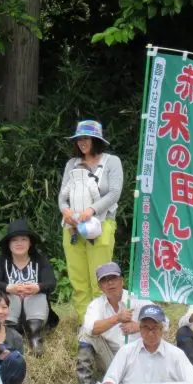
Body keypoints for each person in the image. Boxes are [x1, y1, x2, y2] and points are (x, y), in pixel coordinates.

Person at [58, 119, 122, 320]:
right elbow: (62, 196)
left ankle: (102, 321)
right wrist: (66, 211)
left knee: (101, 277)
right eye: (79, 139)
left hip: (101, 225)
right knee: (78, 278)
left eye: (86, 138)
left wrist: (91, 210)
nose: (82, 142)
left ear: (96, 140)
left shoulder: (112, 161)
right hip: (72, 227)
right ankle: (85, 324)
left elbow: (114, 193)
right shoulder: (71, 164)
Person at [103, 304, 193, 384]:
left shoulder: (176, 355)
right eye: (146, 328)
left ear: (162, 329)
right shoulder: (126, 351)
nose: (150, 333)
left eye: (155, 328)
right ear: (140, 328)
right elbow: (110, 380)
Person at [75, 262, 159, 384]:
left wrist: (140, 327)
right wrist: (117, 318)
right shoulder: (96, 305)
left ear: (121, 281)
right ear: (100, 286)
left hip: (139, 358)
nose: (110, 283)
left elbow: (164, 322)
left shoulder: (136, 299)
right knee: (85, 334)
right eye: (104, 280)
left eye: (113, 278)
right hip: (112, 360)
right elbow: (89, 329)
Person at [0, 218, 57, 357]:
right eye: (14, 240)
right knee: (9, 296)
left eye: (24, 239)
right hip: (9, 316)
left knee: (38, 295)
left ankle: (35, 337)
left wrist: (38, 287)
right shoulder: (0, 261)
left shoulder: (40, 260)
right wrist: (8, 288)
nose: (19, 243)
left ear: (30, 243)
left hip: (36, 314)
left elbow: (51, 283)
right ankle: (10, 336)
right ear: (9, 244)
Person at [60, 160, 101, 245]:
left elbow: (64, 194)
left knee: (69, 223)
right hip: (85, 212)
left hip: (74, 211)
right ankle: (90, 237)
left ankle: (74, 235)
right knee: (89, 225)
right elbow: (96, 196)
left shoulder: (71, 182)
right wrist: (95, 206)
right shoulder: (90, 181)